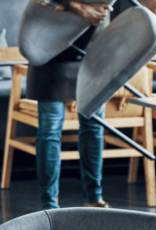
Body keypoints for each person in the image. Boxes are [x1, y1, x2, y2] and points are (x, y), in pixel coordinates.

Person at [26, 0, 113, 209]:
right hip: (51, 50)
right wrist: (81, 9)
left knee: (94, 127)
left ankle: (93, 198)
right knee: (50, 131)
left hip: (93, 51)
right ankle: (49, 205)